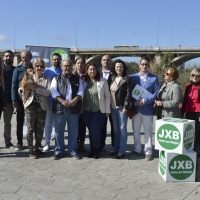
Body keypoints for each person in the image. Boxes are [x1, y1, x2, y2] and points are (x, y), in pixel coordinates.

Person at [51, 59, 83, 160]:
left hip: (73, 109)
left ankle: (72, 150)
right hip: (60, 109)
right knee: (58, 131)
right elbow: (53, 91)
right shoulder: (56, 78)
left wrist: (75, 100)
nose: (67, 68)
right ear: (62, 67)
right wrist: (62, 101)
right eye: (65, 66)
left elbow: (81, 91)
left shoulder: (77, 79)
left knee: (73, 131)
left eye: (69, 66)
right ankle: (58, 151)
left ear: (72, 67)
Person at [131, 56, 159, 161]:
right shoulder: (133, 77)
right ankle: (137, 149)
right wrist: (135, 102)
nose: (144, 66)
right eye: (142, 64)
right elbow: (129, 93)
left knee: (147, 131)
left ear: (149, 66)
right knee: (136, 131)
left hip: (147, 109)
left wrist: (145, 101)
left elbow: (156, 93)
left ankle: (148, 151)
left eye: (146, 64)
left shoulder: (154, 78)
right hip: (136, 108)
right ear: (139, 65)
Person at [21, 58, 51, 158]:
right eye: (37, 66)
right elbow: (21, 87)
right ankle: (30, 150)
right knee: (30, 128)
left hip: (42, 106)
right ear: (34, 67)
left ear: (44, 68)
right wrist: (22, 91)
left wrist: (36, 89)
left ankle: (37, 148)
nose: (39, 68)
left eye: (41, 66)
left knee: (40, 128)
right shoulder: (29, 76)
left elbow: (48, 92)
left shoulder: (47, 79)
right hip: (30, 105)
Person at [82, 62, 111, 159]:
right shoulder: (83, 81)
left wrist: (107, 110)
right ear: (87, 70)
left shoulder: (103, 81)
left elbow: (107, 96)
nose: (92, 71)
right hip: (86, 111)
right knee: (91, 131)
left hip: (99, 111)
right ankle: (92, 148)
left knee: (95, 130)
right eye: (90, 69)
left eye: (94, 69)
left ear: (97, 70)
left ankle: (96, 149)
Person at [108, 59, 132, 159]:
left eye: (121, 67)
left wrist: (126, 106)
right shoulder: (111, 77)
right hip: (112, 107)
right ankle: (116, 148)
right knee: (116, 129)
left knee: (123, 129)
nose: (119, 68)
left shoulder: (127, 78)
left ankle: (122, 151)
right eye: (117, 66)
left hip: (122, 107)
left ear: (123, 68)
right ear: (114, 68)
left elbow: (128, 93)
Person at [11, 50, 33, 151]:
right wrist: (14, 99)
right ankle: (19, 142)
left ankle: (32, 143)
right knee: (20, 122)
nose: (24, 59)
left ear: (30, 57)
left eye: (26, 57)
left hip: (32, 99)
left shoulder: (34, 68)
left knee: (32, 122)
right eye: (23, 57)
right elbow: (14, 85)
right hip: (21, 100)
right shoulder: (17, 70)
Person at [43, 53, 62, 151]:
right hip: (49, 101)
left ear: (61, 60)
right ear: (52, 60)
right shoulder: (47, 71)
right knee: (48, 123)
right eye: (54, 59)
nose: (56, 61)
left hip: (60, 102)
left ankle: (58, 144)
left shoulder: (63, 71)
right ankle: (46, 143)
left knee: (58, 124)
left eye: (58, 59)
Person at [181, 68, 200, 154]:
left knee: (198, 134)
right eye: (193, 75)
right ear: (190, 76)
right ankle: (190, 153)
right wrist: (182, 111)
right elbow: (185, 100)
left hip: (198, 113)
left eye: (197, 76)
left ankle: (198, 153)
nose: (195, 77)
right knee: (190, 133)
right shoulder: (188, 86)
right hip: (189, 112)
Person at [99, 55, 114, 149]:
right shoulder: (97, 73)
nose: (106, 61)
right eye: (104, 60)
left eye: (108, 60)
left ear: (110, 61)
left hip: (113, 103)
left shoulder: (115, 73)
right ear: (101, 61)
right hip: (101, 104)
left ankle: (115, 145)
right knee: (101, 126)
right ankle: (101, 145)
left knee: (114, 126)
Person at [2, 50, 15, 148]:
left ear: (13, 58)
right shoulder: (0, 69)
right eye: (6, 56)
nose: (8, 58)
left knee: (7, 122)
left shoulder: (15, 70)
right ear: (3, 57)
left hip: (9, 101)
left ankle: (7, 142)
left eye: (10, 56)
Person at [73, 57, 86, 152]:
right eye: (78, 63)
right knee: (74, 125)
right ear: (75, 65)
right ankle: (74, 143)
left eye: (81, 63)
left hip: (85, 103)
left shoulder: (88, 75)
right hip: (74, 103)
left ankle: (82, 143)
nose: (80, 65)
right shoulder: (72, 75)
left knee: (82, 125)